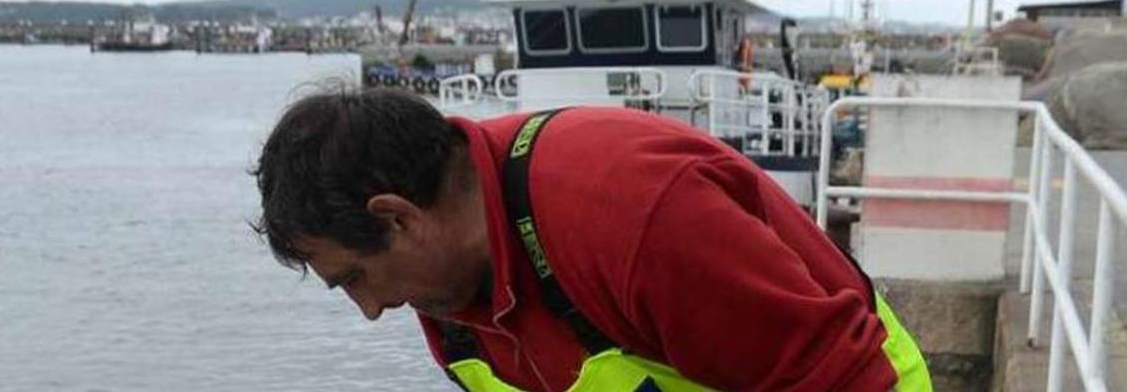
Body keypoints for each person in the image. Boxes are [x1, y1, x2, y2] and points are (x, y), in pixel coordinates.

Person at [252, 86, 931, 391]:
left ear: (398, 217)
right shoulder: (451, 300)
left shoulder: (628, 215)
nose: (370, 311)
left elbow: (842, 380)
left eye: (354, 279)